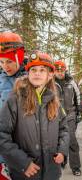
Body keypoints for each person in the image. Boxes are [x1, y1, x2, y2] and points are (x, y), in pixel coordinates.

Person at [0, 51, 69, 180]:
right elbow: (2, 135)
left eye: (42, 70)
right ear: (28, 73)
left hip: (51, 171)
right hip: (25, 173)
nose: (37, 73)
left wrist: (62, 151)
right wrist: (23, 163)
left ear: (50, 75)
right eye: (33, 70)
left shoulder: (54, 101)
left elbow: (64, 129)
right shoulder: (15, 99)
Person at [0, 32, 26, 180]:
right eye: (1, 62)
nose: (5, 66)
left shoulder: (31, 78)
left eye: (9, 61)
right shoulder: (0, 79)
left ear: (19, 56)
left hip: (24, 147)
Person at [54, 60, 82, 176]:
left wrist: (79, 112)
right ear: (54, 71)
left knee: (71, 141)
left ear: (65, 70)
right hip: (55, 116)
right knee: (57, 140)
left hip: (70, 115)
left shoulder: (71, 82)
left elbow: (79, 96)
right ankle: (62, 160)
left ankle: (75, 167)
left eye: (62, 70)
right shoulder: (50, 82)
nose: (60, 73)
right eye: (57, 70)